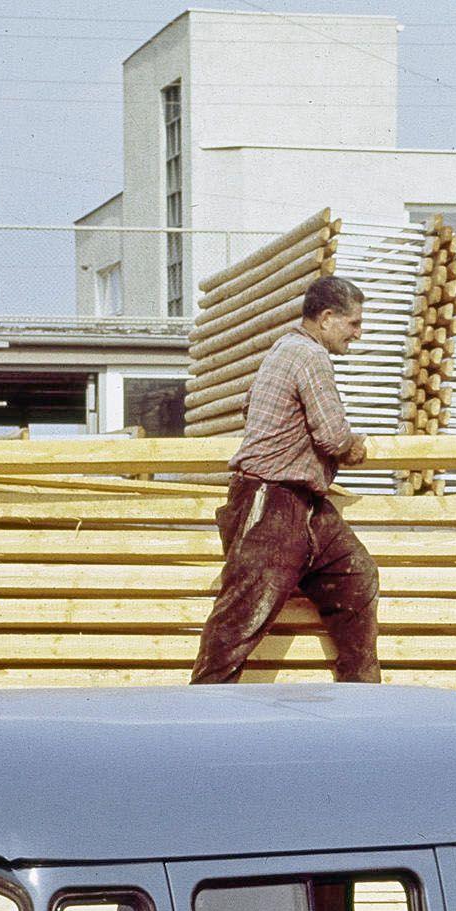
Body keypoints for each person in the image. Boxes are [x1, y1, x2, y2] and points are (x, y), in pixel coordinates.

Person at [191, 274, 381, 686]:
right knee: (242, 616)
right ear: (326, 318)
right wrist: (354, 447)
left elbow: (248, 408)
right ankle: (205, 705)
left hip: (303, 501)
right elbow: (333, 437)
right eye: (353, 323)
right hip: (270, 502)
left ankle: (362, 696)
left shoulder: (282, 349)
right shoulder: (309, 356)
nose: (358, 334)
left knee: (355, 575)